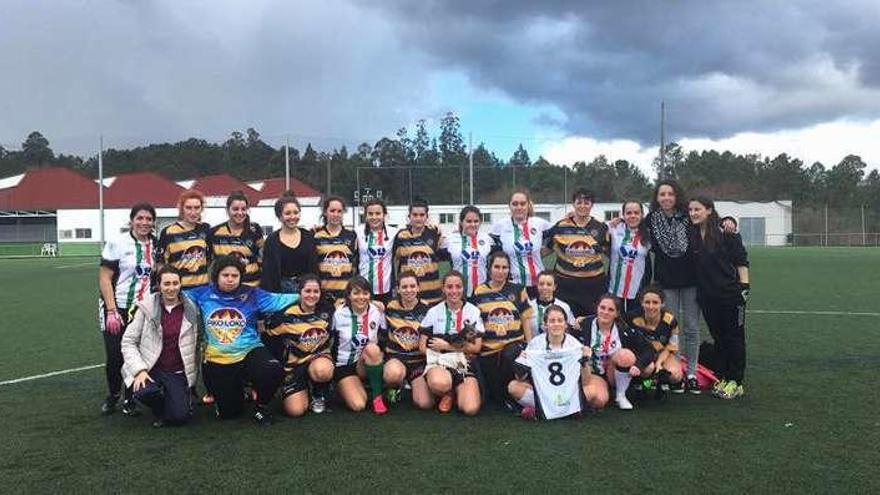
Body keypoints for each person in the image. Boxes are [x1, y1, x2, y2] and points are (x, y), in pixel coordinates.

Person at [185, 255, 299, 425]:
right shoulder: (202, 293)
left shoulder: (252, 293)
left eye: (235, 276)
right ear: (216, 276)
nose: (230, 279)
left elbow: (280, 300)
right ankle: (238, 390)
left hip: (249, 349)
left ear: (240, 277)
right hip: (218, 358)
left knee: (273, 369)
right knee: (229, 413)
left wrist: (308, 296)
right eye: (225, 275)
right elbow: (173, 296)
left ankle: (261, 407)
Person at [98, 203, 158, 416]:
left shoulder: (156, 245)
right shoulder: (117, 242)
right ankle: (113, 394)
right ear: (131, 220)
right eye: (140, 218)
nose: (144, 222)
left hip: (143, 309)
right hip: (118, 307)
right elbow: (105, 278)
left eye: (149, 219)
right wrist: (111, 310)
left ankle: (130, 399)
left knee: (138, 355)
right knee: (115, 356)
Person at [121, 266, 200, 427]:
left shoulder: (191, 309)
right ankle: (160, 409)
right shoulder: (146, 307)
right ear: (159, 285)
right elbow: (128, 341)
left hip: (176, 371)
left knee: (179, 418)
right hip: (151, 368)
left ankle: (178, 402)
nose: (171, 288)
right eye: (166, 284)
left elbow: (199, 343)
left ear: (180, 284)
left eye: (175, 283)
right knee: (144, 391)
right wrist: (139, 370)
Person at [688, 196, 750, 400]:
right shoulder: (693, 233)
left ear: (709, 210)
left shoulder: (726, 234)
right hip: (707, 297)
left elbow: (741, 261)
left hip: (730, 296)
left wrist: (744, 288)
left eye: (697, 209)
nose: (693, 213)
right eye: (691, 210)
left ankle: (736, 381)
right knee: (720, 338)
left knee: (735, 339)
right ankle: (723, 376)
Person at [644, 179, 701, 394]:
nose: (666, 198)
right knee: (671, 329)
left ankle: (693, 373)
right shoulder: (650, 220)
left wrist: (729, 220)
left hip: (691, 280)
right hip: (665, 282)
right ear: (656, 198)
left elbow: (710, 219)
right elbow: (630, 225)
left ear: (676, 196)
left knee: (692, 328)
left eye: (670, 194)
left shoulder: (688, 216)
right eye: (662, 194)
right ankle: (675, 371)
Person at [469, 251, 534, 408]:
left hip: (512, 350)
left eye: (505, 267)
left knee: (510, 352)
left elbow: (526, 321)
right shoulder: (478, 291)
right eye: (497, 267)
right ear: (489, 268)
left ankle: (519, 396)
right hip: (488, 351)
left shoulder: (518, 290)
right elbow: (474, 324)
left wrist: (530, 348)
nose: (501, 271)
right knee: (492, 398)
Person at [264, 274, 335, 416]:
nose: (312, 295)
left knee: (323, 370)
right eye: (307, 291)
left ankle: (318, 393)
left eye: (316, 291)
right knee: (295, 411)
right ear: (299, 292)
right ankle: (302, 388)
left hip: (318, 360)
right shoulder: (286, 315)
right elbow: (268, 336)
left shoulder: (328, 311)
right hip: (294, 365)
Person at [508, 304, 591, 419]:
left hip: (567, 391)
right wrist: (522, 362)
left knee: (594, 393)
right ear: (545, 325)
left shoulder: (574, 345)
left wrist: (585, 360)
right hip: (544, 392)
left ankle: (540, 410)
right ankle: (562, 410)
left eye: (560, 320)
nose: (556, 324)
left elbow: (586, 381)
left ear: (566, 324)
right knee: (513, 387)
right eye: (552, 321)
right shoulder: (535, 344)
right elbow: (520, 378)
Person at [419, 271, 484, 415]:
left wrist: (447, 347)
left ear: (463, 288)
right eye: (449, 287)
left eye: (458, 286)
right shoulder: (434, 312)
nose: (454, 291)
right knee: (440, 383)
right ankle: (446, 391)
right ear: (443, 289)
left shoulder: (473, 311)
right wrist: (439, 357)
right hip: (440, 362)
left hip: (463, 363)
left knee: (470, 409)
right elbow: (422, 347)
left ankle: (455, 392)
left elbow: (476, 347)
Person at [544, 188, 610, 317]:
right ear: (573, 204)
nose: (582, 206)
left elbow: (609, 252)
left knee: (591, 323)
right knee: (565, 323)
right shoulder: (561, 226)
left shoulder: (601, 228)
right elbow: (545, 249)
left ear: (592, 205)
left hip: (593, 286)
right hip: (565, 286)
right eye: (579, 202)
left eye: (586, 203)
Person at [330, 276, 389, 414]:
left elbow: (384, 337)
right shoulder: (338, 313)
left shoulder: (376, 311)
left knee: (373, 349)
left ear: (370, 295)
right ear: (348, 296)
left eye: (365, 293)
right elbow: (330, 341)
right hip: (344, 366)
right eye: (356, 293)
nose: (361, 297)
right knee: (359, 405)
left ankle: (377, 398)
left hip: (364, 361)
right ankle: (342, 386)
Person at [381, 271, 432, 409]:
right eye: (404, 287)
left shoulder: (428, 309)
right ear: (398, 289)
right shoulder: (390, 307)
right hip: (397, 359)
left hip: (418, 362)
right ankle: (394, 386)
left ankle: (416, 383)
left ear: (418, 287)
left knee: (425, 404)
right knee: (393, 374)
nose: (408, 290)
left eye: (412, 286)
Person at [489, 189, 551, 299]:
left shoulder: (539, 223)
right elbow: (483, 242)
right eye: (515, 204)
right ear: (509, 206)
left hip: (538, 284)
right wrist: (462, 232)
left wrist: (544, 252)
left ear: (528, 205)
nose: (519, 207)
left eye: (522, 204)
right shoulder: (500, 226)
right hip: (512, 284)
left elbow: (560, 233)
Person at [624, 286, 683, 393]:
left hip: (661, 353)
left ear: (663, 303)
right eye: (647, 302)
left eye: (655, 302)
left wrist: (659, 363)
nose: (651, 306)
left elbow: (670, 348)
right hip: (640, 354)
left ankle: (655, 381)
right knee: (647, 368)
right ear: (641, 303)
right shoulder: (631, 317)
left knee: (675, 375)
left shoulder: (671, 321)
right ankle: (638, 382)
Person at [576, 294, 631, 410]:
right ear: (597, 308)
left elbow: (646, 349)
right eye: (602, 308)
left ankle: (621, 395)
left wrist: (638, 365)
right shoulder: (584, 324)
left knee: (626, 355)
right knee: (599, 401)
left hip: (613, 371)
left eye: (611, 310)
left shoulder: (622, 329)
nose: (605, 312)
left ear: (616, 314)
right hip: (594, 374)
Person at [260, 192, 318, 293]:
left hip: (306, 292)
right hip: (281, 293)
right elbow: (268, 275)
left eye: (296, 212)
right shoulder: (272, 240)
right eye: (287, 213)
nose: (292, 217)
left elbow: (314, 269)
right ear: (279, 216)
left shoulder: (308, 237)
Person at [208, 190, 265, 287]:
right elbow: (209, 263)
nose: (240, 213)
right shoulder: (214, 233)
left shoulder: (255, 230)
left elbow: (263, 258)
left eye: (243, 209)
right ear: (227, 210)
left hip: (252, 287)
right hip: (225, 289)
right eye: (235, 209)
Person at [392, 198, 444, 305]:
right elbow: (395, 262)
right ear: (409, 217)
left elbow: (445, 260)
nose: (418, 218)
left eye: (422, 215)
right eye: (415, 215)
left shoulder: (435, 234)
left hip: (432, 295)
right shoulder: (401, 236)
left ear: (427, 217)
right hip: (409, 295)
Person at [158, 190, 211, 289]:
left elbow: (210, 259)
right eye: (188, 208)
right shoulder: (168, 232)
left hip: (203, 289)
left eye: (197, 208)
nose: (193, 212)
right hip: (180, 289)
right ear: (181, 208)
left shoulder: (206, 229)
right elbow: (161, 264)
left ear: (202, 209)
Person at [440, 205, 495, 298]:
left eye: (476, 221)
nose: (473, 224)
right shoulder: (450, 240)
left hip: (482, 291)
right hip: (458, 292)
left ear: (480, 222)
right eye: (468, 221)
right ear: (461, 222)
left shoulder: (487, 239)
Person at [313, 196, 359, 304]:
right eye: (332, 211)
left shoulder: (351, 236)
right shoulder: (316, 236)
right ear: (325, 212)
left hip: (345, 296)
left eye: (339, 211)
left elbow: (356, 265)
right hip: (323, 295)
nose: (336, 214)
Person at [608, 200, 652, 312]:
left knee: (635, 325)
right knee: (617, 324)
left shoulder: (649, 233)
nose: (632, 216)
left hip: (637, 290)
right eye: (629, 213)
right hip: (614, 289)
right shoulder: (613, 228)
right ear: (623, 215)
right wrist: (572, 216)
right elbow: (592, 229)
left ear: (642, 215)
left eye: (636, 213)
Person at [357, 199, 398, 305]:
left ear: (384, 215)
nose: (374, 217)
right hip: (363, 289)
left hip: (386, 291)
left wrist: (433, 228)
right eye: (370, 214)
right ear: (365, 215)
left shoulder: (394, 232)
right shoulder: (357, 232)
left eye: (378, 213)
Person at [528, 271, 577, 338]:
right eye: (541, 284)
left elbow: (571, 328)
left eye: (549, 284)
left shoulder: (564, 306)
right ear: (537, 285)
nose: (545, 287)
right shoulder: (528, 306)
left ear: (554, 287)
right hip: (534, 346)